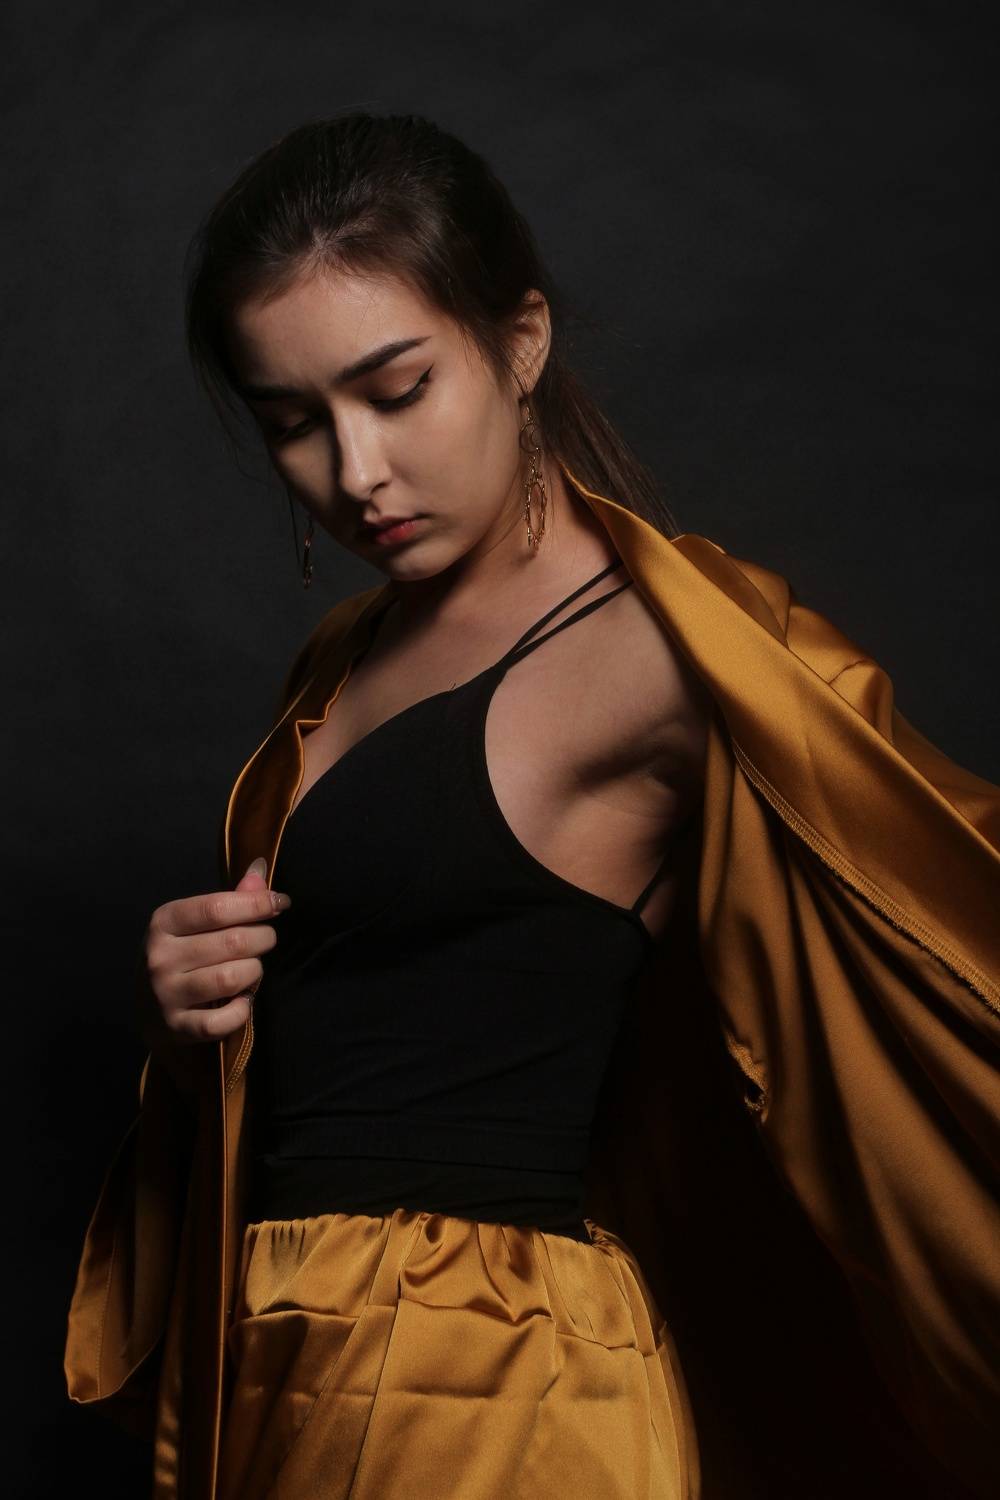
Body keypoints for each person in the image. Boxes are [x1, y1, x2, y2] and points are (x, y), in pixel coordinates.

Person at [64, 113, 1000, 1500]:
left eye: (398, 390)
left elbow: (937, 883)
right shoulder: (342, 658)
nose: (356, 471)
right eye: (294, 425)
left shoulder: (659, 653)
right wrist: (187, 1013)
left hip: (490, 1380)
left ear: (520, 343)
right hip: (290, 1349)